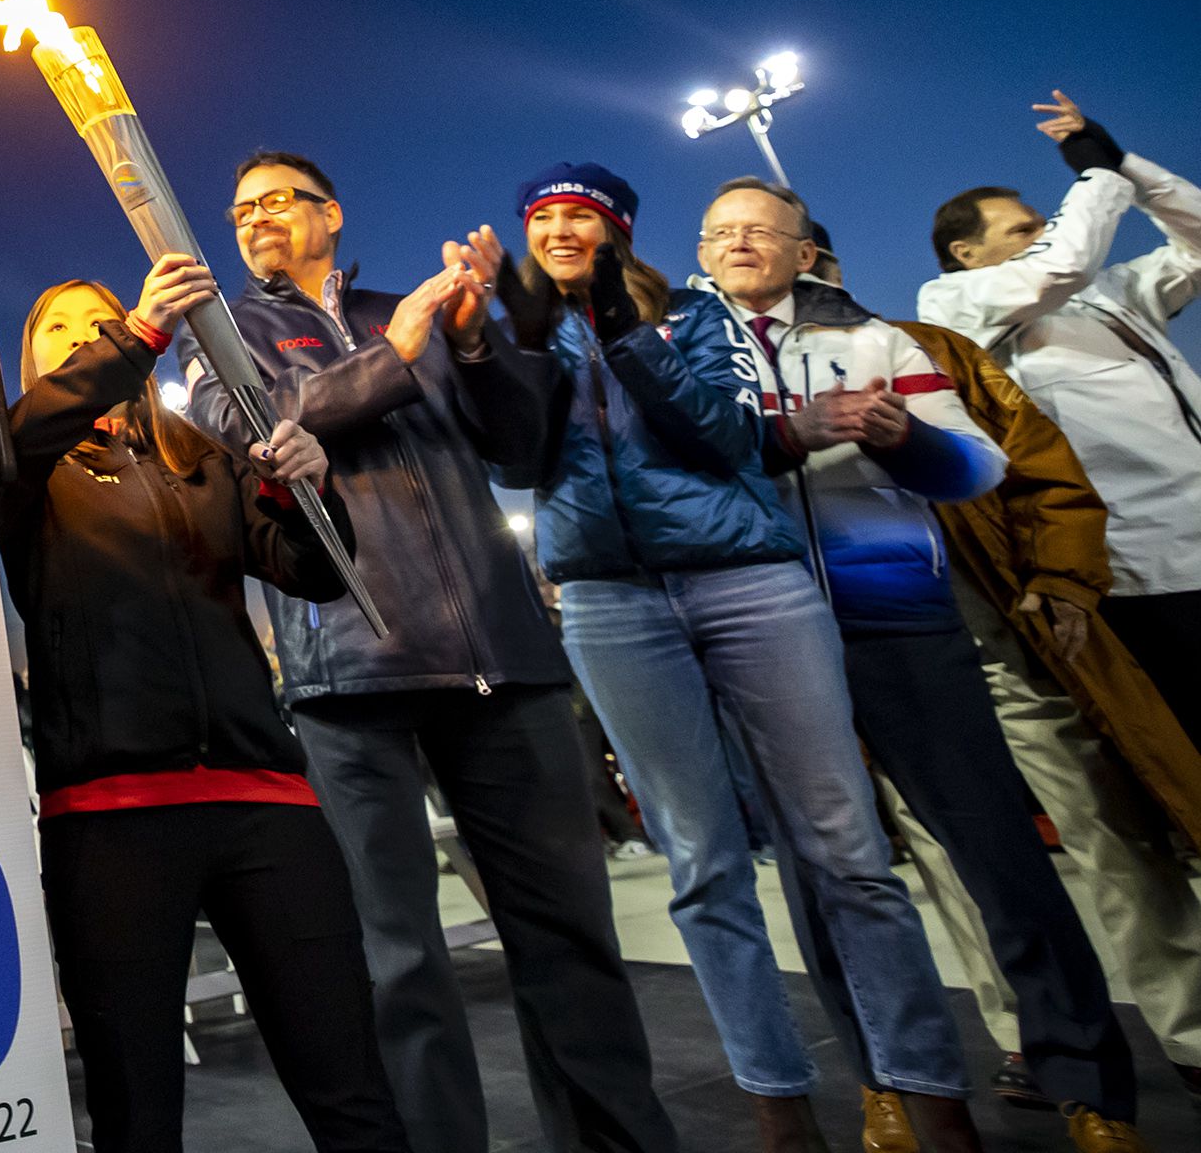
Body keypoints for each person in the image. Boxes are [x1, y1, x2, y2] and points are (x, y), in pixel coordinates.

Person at [189, 153, 675, 1153]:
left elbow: (519, 447)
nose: (255, 218)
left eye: (278, 199)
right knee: (399, 956)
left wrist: (475, 341)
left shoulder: (403, 305)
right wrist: (400, 354)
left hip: (501, 652)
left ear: (333, 210)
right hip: (347, 666)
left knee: (571, 940)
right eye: (240, 208)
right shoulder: (222, 328)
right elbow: (248, 435)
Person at [493, 162, 980, 1153]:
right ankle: (779, 1105)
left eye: (577, 214)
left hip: (748, 581)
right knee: (702, 864)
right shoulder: (522, 335)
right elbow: (513, 462)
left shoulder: (693, 315)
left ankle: (930, 1093)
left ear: (617, 231)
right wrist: (496, 346)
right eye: (539, 216)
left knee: (847, 848)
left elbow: (724, 435)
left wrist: (621, 329)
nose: (556, 228)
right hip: (608, 600)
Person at [690, 178, 1139, 1151]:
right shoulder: (680, 355)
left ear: (804, 250)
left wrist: (908, 437)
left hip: (898, 619)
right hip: (761, 632)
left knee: (1002, 855)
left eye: (760, 230)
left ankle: (1091, 1089)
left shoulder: (881, 341)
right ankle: (882, 1077)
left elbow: (978, 467)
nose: (738, 243)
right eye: (719, 231)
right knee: (824, 878)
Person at [3, 261, 402, 1153]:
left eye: (95, 321)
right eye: (60, 333)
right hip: (114, 822)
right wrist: (134, 334)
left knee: (351, 1091)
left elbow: (311, 572)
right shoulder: (18, 463)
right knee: (138, 1115)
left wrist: (307, 488)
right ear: (33, 366)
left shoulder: (201, 456)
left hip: (267, 807)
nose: (82, 339)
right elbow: (28, 430)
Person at [884, 308, 1201, 1109]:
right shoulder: (737, 376)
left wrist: (1062, 578)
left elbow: (1043, 468)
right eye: (718, 243)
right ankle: (1031, 1038)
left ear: (813, 255)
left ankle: (1194, 1028)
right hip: (880, 652)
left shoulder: (931, 348)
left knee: (1108, 822)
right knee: (952, 854)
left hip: (997, 621)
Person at [920, 93, 1201, 742]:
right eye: (1022, 229)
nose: (1044, 230)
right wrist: (1097, 177)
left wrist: (1129, 166)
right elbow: (1064, 262)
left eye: (1043, 221)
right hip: (1147, 571)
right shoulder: (953, 301)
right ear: (965, 252)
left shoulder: (1111, 293)